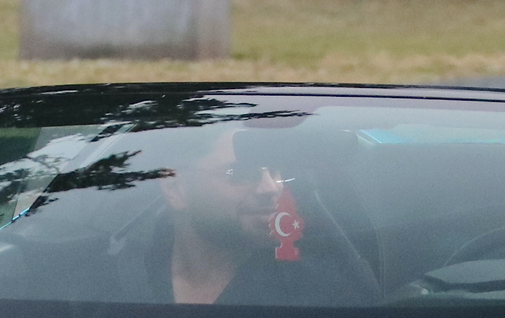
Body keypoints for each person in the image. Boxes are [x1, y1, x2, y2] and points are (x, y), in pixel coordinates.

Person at [98, 127, 376, 307]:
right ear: (175, 188)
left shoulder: (324, 294)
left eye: (276, 172)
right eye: (240, 173)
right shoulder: (96, 275)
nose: (271, 188)